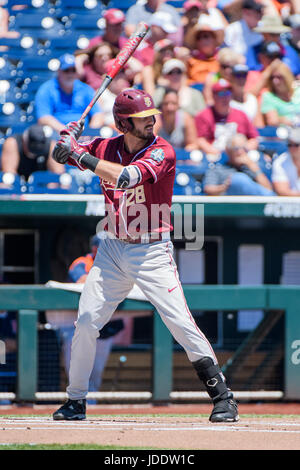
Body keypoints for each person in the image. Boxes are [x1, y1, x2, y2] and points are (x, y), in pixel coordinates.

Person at [51, 88, 239, 423]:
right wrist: (67, 140)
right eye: (141, 119)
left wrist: (78, 154)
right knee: (86, 322)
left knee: (179, 321)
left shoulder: (162, 151)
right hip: (111, 248)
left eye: (151, 117)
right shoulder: (106, 146)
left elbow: (125, 178)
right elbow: (61, 154)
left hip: (152, 250)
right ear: (123, 122)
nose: (150, 123)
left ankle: (223, 396)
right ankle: (75, 400)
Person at [60, 235, 124, 397]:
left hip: (105, 327)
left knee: (96, 372)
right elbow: (81, 280)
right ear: (95, 248)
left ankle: (91, 403)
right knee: (74, 370)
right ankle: (75, 399)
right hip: (75, 324)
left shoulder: (117, 263)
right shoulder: (82, 262)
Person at [34, 54, 104, 136]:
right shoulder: (46, 89)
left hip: (83, 135)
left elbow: (98, 115)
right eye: (66, 70)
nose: (70, 74)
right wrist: (67, 132)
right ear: (59, 71)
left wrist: (89, 133)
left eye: (73, 70)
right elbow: (44, 118)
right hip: (57, 135)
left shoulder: (85, 89)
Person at [195, 79, 259, 157]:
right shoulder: (204, 115)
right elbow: (200, 140)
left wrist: (243, 149)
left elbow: (253, 139)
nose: (225, 98)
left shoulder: (241, 114)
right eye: (221, 94)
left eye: (228, 93)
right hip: (214, 157)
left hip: (239, 155)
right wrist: (217, 153)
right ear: (214, 96)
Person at [203, 133, 274, 195]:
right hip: (228, 206)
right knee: (238, 179)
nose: (240, 152)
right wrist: (223, 187)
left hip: (252, 207)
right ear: (228, 150)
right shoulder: (218, 169)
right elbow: (208, 189)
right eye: (236, 148)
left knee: (239, 179)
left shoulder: (251, 169)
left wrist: (253, 166)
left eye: (243, 148)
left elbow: (268, 191)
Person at [260, 60, 300, 126]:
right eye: (272, 78)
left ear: (287, 77)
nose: (275, 81)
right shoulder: (269, 97)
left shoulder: (298, 91)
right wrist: (284, 120)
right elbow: (272, 121)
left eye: (279, 77)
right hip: (285, 132)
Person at [185, 20, 223, 85]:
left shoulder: (222, 60)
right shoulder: (190, 62)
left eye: (206, 36)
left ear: (214, 39)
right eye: (198, 38)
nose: (202, 40)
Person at [272, 127, 300, 195]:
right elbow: (282, 191)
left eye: (296, 145)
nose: (292, 148)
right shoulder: (280, 162)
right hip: (288, 204)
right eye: (290, 144)